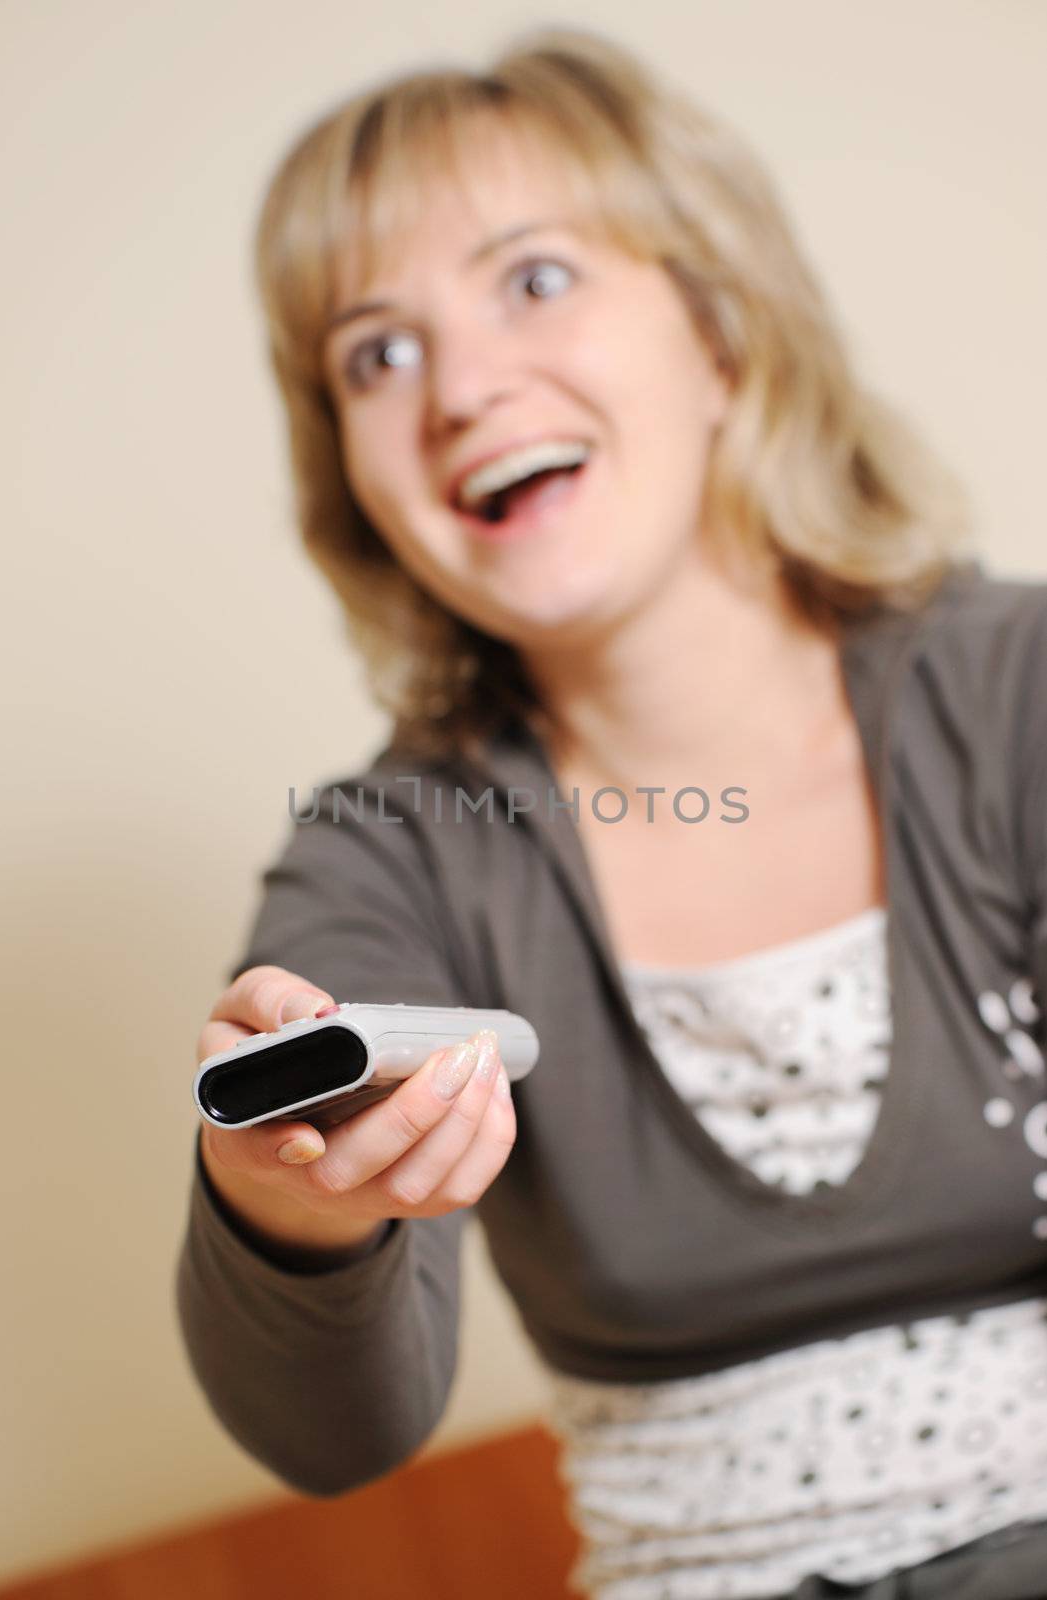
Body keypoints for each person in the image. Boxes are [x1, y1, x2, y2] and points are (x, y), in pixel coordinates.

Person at [175, 27, 1047, 1600]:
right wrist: (285, 1208)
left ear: (720, 331)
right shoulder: (382, 849)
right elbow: (334, 1442)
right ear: (351, 474)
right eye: (377, 352)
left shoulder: (1018, 695)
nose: (458, 390)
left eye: (532, 279)